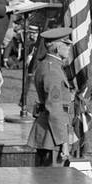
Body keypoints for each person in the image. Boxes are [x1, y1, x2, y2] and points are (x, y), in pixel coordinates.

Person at [27, 27, 76, 166]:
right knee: (53, 183)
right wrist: (64, 142)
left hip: (50, 132)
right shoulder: (52, 70)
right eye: (66, 44)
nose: (69, 48)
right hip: (53, 135)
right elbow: (54, 108)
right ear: (55, 47)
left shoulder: (50, 65)